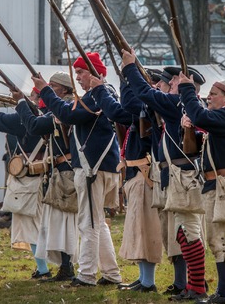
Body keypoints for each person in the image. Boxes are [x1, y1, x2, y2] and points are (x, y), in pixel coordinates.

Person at [121, 48, 208, 301]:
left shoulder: (177, 103)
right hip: (173, 175)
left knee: (186, 232)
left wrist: (128, 68)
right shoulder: (181, 104)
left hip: (182, 176)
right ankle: (189, 285)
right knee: (179, 233)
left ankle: (195, 287)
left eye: (175, 81)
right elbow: (137, 100)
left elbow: (145, 93)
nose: (169, 84)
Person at [34, 52, 122, 287]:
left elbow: (66, 114)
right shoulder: (97, 96)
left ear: (95, 74)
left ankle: (86, 274)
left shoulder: (98, 95)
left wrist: (45, 90)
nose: (78, 78)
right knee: (97, 222)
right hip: (94, 167)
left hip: (94, 168)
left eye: (81, 72)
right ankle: (112, 273)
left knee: (89, 223)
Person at [89, 73, 163, 293]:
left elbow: (122, 106)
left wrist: (122, 79)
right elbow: (118, 110)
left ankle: (148, 281)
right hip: (134, 174)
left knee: (145, 230)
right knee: (137, 230)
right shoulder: (138, 111)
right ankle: (143, 278)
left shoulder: (147, 107)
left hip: (144, 175)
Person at [178, 74, 225, 304]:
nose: (209, 97)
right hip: (216, 184)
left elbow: (200, 115)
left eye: (214, 94)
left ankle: (224, 294)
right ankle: (222, 292)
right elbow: (200, 130)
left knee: (218, 239)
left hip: (223, 186)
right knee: (216, 239)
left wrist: (187, 89)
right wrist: (189, 127)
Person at [0, 89, 51, 280]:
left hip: (29, 180)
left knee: (31, 225)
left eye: (33, 95)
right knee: (47, 224)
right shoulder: (54, 115)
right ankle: (56, 267)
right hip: (50, 177)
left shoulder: (23, 119)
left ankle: (43, 268)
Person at [12, 72, 79, 282]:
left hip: (66, 171)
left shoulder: (64, 109)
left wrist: (22, 104)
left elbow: (34, 126)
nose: (49, 89)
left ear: (65, 90)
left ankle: (69, 268)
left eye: (53, 86)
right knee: (59, 222)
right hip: (60, 170)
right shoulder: (61, 108)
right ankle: (65, 268)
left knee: (65, 222)